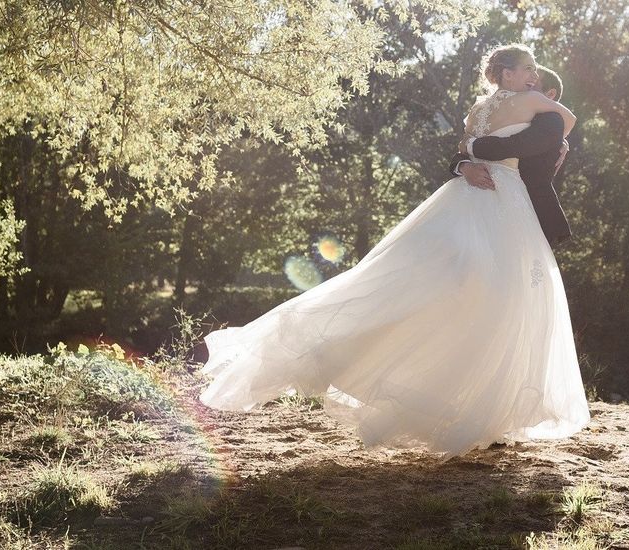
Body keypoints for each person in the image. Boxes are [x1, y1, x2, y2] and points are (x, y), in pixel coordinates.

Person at [198, 43, 591, 462]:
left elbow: (468, 142)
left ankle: (484, 408)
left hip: (466, 196)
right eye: (528, 68)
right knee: (503, 294)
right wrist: (500, 150)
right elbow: (566, 119)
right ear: (508, 74)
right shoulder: (533, 101)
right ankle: (484, 410)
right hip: (501, 196)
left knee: (451, 285)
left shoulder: (477, 109)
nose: (534, 75)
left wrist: (473, 154)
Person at [448, 65, 573, 249]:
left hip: (525, 213)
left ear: (550, 94)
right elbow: (463, 152)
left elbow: (510, 146)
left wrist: (470, 144)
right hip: (477, 202)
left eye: (533, 83)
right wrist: (465, 166)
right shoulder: (510, 114)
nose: (526, 85)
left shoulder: (552, 122)